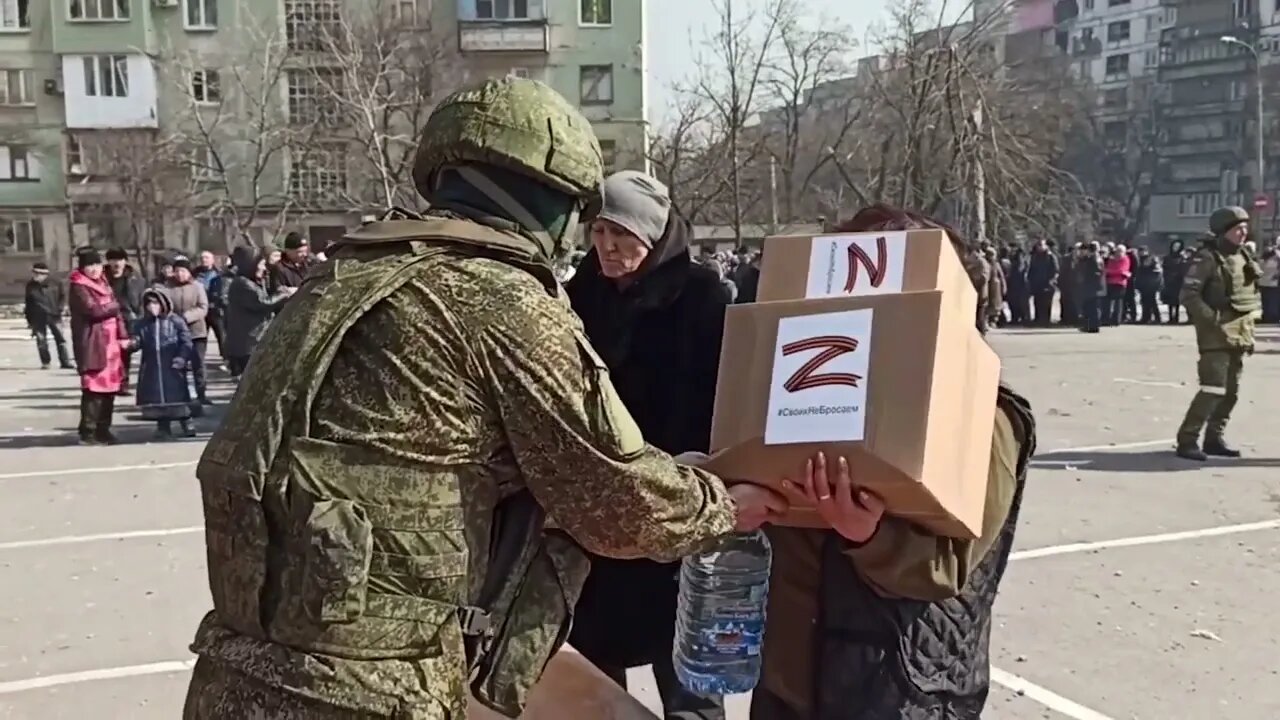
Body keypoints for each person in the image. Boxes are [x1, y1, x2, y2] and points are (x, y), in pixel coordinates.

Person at [182, 77, 789, 720]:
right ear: (553, 199)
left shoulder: (340, 276)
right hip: (371, 691)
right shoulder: (498, 296)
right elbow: (611, 496)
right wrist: (722, 507)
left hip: (237, 673)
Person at [750, 203, 1037, 720]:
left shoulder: (982, 416)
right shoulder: (813, 384)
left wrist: (869, 536)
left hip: (896, 689)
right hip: (791, 682)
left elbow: (950, 567)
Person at [566, 170, 732, 720]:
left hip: (677, 502)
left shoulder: (702, 298)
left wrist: (695, 477)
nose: (608, 248)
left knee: (688, 680)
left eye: (623, 235)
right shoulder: (574, 298)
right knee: (591, 687)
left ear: (654, 234)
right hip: (597, 516)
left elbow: (720, 400)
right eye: (599, 233)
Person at [1175, 206, 1261, 461]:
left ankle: (1214, 438)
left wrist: (1250, 331)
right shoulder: (1208, 258)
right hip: (1216, 334)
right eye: (1237, 229)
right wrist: (1210, 321)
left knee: (1231, 392)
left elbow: (1249, 296)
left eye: (1245, 228)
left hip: (1240, 332)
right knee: (1213, 389)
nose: (1243, 233)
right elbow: (1189, 295)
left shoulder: (1244, 255)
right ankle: (1188, 440)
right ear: (1224, 231)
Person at [68, 249, 129, 445]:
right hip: (92, 342)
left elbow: (116, 315)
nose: (94, 270)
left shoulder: (104, 283)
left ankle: (104, 429)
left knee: (110, 389)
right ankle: (88, 431)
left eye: (96, 265)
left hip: (110, 343)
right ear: (82, 267)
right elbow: (93, 310)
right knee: (94, 389)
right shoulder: (78, 286)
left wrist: (123, 335)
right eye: (89, 266)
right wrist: (114, 306)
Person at [132, 288, 196, 439]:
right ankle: (163, 426)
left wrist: (182, 358)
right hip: (153, 366)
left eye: (155, 303)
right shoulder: (143, 324)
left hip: (172, 365)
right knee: (158, 398)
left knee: (178, 396)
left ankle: (187, 422)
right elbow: (138, 340)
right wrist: (132, 343)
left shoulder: (175, 321)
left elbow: (186, 342)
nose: (152, 307)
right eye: (149, 304)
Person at [222, 248, 294, 378]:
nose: (263, 267)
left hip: (256, 338)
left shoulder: (252, 281)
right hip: (249, 341)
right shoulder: (242, 284)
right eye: (261, 264)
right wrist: (285, 293)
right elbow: (263, 303)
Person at [166, 256, 212, 407]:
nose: (180, 274)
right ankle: (182, 395)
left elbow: (203, 307)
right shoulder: (168, 287)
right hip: (176, 333)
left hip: (196, 331)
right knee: (180, 365)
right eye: (177, 271)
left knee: (198, 364)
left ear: (189, 272)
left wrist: (187, 317)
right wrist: (174, 320)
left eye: (183, 271)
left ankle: (201, 394)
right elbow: (165, 308)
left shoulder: (197, 286)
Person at [105, 248, 146, 394]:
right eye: (113, 260)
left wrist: (140, 317)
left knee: (124, 353)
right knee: (107, 353)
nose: (116, 263)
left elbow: (141, 300)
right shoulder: (102, 278)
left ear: (125, 261)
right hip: (107, 318)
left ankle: (123, 383)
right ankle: (110, 382)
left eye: (120, 260)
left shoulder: (136, 279)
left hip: (128, 319)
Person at [23, 262, 74, 370]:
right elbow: (28, 302)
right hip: (38, 316)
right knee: (41, 340)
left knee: (60, 339)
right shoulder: (30, 285)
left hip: (54, 314)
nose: (34, 276)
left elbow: (63, 296)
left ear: (44, 274)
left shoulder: (55, 283)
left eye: (37, 274)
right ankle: (46, 362)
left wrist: (60, 308)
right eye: (34, 273)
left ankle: (65, 362)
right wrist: (29, 319)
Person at [193, 250, 227, 362]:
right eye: (202, 258)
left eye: (207, 258)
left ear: (212, 260)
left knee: (221, 335)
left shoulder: (219, 273)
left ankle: (226, 359)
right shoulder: (195, 273)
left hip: (214, 309)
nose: (204, 260)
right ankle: (199, 359)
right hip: (200, 309)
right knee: (201, 337)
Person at [1074, 241, 1105, 333]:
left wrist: (1093, 283)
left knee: (1092, 307)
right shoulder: (1090, 259)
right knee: (1087, 307)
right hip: (1088, 286)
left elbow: (1097, 273)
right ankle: (1088, 325)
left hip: (1092, 287)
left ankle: (1093, 326)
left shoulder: (1095, 259)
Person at [1026, 239, 1059, 326]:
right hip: (1036, 283)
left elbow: (1055, 270)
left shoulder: (1050, 256)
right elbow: (1031, 269)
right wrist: (1030, 280)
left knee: (1046, 303)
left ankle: (1046, 321)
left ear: (1046, 246)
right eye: (1038, 245)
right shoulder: (1035, 256)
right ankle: (1038, 319)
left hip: (1048, 284)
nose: (1039, 247)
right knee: (1037, 302)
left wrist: (1051, 281)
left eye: (1041, 245)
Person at [1103, 243, 1131, 326]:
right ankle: (1106, 319)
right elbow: (1107, 270)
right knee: (1107, 302)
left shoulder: (1125, 259)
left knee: (1118, 302)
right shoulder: (1112, 259)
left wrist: (1110, 272)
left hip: (1120, 283)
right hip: (1110, 282)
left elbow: (1121, 271)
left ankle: (1116, 320)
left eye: (1120, 251)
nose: (1118, 253)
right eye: (1117, 251)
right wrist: (1109, 272)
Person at [1161, 240, 1189, 323]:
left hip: (1178, 282)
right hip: (1169, 281)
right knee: (1169, 301)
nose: (1175, 248)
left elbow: (1183, 269)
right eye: (1174, 246)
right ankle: (1170, 317)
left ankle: (1176, 317)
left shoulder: (1182, 258)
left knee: (1176, 301)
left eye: (1177, 247)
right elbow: (1164, 268)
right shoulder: (1167, 257)